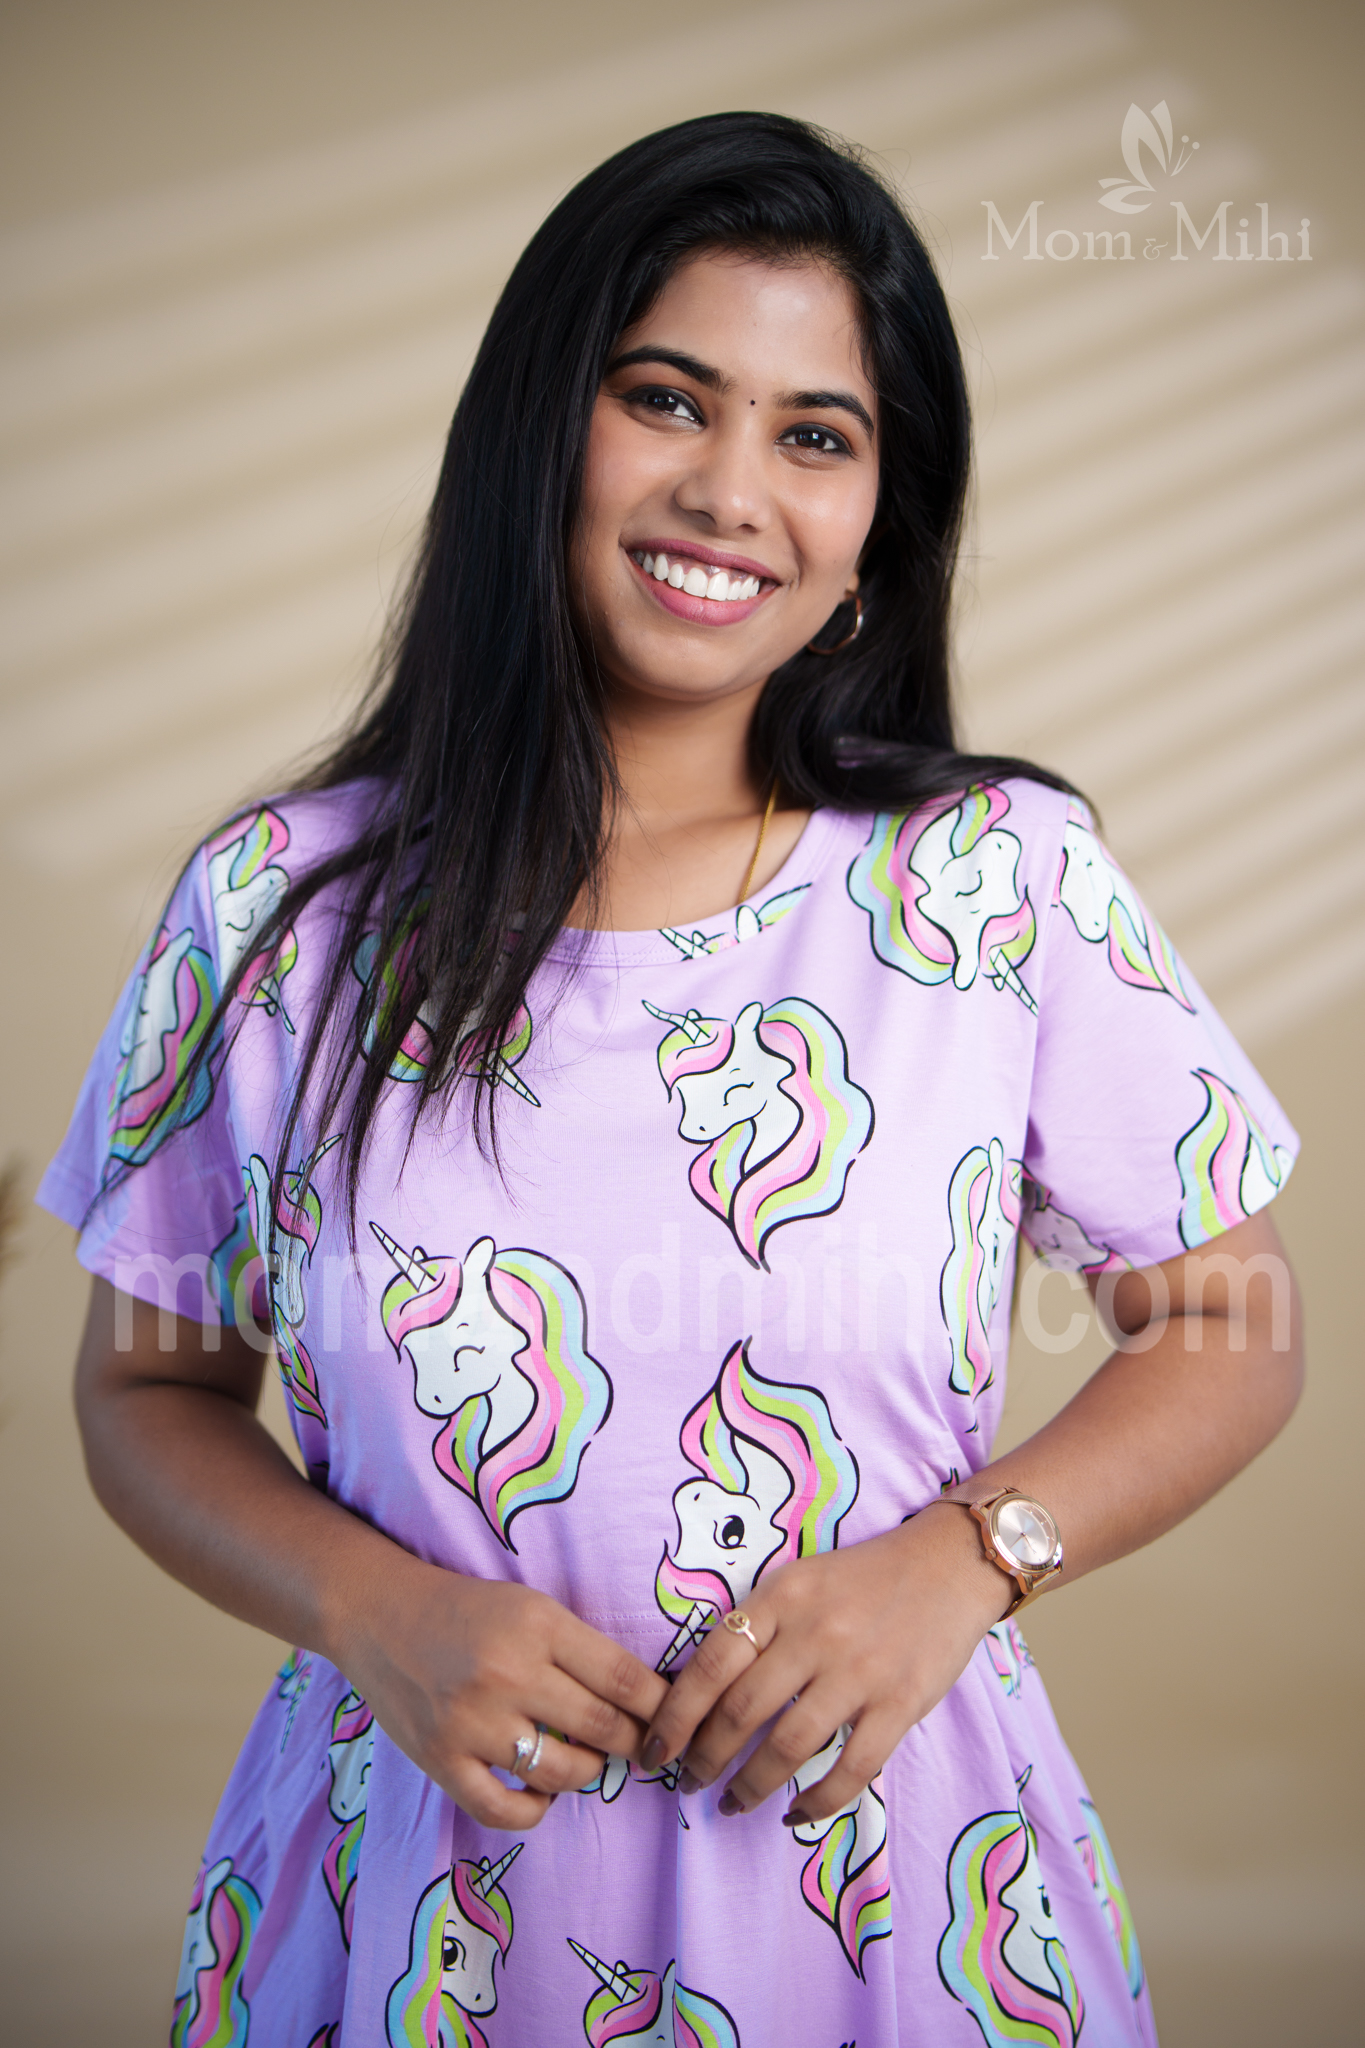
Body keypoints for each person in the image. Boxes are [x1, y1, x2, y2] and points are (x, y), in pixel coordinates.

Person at [40, 112, 1301, 2048]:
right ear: (539, 432)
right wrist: (372, 1612)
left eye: (816, 436)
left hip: (897, 1904)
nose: (729, 490)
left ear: (876, 525)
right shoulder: (277, 911)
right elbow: (147, 1387)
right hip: (408, 1903)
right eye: (664, 399)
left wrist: (964, 1562)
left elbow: (1227, 1319)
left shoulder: (995, 884)